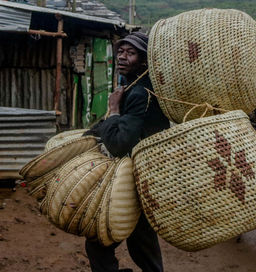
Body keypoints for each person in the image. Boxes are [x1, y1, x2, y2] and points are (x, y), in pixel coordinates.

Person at [84, 32, 170, 272]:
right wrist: (89, 134)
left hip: (136, 179)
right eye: (120, 51)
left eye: (130, 53)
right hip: (144, 177)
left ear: (143, 61)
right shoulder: (135, 85)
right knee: (142, 245)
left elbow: (121, 143)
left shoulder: (141, 93)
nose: (122, 57)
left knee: (99, 245)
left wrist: (112, 110)